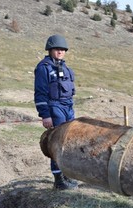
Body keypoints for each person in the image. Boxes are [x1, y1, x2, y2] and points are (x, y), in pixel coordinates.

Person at [34, 34, 78, 190]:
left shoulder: (66, 68)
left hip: (68, 108)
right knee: (57, 142)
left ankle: (67, 175)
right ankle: (59, 179)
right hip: (54, 107)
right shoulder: (43, 68)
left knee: (68, 142)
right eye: (56, 49)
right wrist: (45, 115)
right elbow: (40, 93)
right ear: (50, 50)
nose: (60, 52)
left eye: (62, 49)